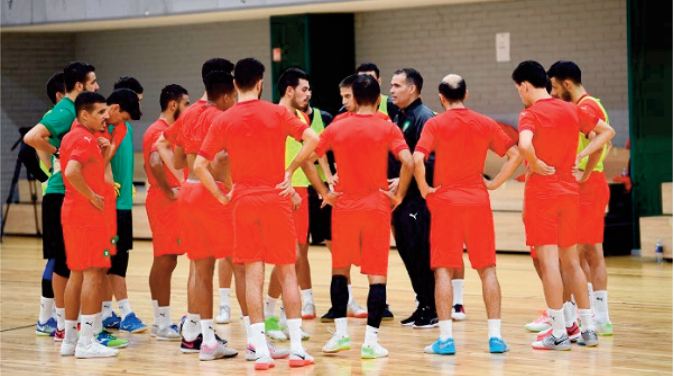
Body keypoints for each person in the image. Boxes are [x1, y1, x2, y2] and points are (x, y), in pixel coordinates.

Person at [195, 57, 318, 370]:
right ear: (261, 82)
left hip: (244, 200)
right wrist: (290, 170)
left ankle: (261, 350)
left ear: (236, 84)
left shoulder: (224, 119)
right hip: (276, 197)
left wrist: (222, 196)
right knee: (287, 270)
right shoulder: (278, 112)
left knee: (253, 273)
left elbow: (199, 165)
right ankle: (297, 349)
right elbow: (313, 139)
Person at [306, 74, 413, 359]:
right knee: (377, 278)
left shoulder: (338, 125)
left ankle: (341, 335)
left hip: (344, 207)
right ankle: (370, 342)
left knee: (339, 271)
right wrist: (399, 193)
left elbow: (309, 156)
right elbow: (410, 161)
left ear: (354, 96)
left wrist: (325, 190)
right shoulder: (387, 126)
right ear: (378, 100)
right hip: (377, 206)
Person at [414, 74, 521, 355]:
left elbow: (417, 158)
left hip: (446, 202)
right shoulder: (485, 122)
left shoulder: (435, 123)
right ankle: (495, 337)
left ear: (440, 97)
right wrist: (495, 182)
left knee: (444, 272)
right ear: (467, 93)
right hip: (477, 201)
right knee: (487, 269)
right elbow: (516, 154)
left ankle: (446, 340)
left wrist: (425, 188)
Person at [512, 60, 615, 350]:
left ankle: (558, 332)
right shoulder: (572, 109)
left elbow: (523, 144)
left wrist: (534, 162)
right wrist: (580, 159)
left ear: (524, 85)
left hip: (542, 196)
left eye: (518, 89)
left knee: (549, 264)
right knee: (572, 263)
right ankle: (588, 328)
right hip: (570, 193)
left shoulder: (529, 114)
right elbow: (607, 132)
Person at [154, 58, 234, 353]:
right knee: (233, 265)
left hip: (188, 192)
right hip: (212, 194)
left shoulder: (187, 115)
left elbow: (166, 150)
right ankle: (236, 340)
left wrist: (182, 178)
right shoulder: (221, 116)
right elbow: (218, 161)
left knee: (198, 267)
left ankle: (193, 333)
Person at [24, 61, 99, 343]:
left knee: (71, 260)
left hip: (69, 191)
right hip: (58, 192)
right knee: (63, 261)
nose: (97, 87)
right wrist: (57, 151)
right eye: (93, 82)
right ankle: (58, 322)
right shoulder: (65, 111)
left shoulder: (75, 112)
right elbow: (32, 137)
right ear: (79, 86)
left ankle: (68, 321)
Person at [547, 60, 614, 336]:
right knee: (581, 254)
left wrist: (584, 167)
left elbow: (603, 140)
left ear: (566, 84)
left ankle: (598, 317)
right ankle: (582, 312)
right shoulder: (591, 103)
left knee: (587, 252)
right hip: (587, 185)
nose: (552, 93)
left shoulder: (585, 107)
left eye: (553, 87)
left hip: (589, 185)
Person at [388, 68, 437, 328]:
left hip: (418, 198)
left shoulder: (424, 117)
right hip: (400, 197)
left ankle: (432, 307)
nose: (392, 90)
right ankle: (423, 302)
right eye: (391, 85)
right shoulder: (399, 115)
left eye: (397, 85)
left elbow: (428, 160)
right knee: (407, 252)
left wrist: (403, 181)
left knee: (420, 252)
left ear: (412, 89)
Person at [99, 77, 148, 334]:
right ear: (116, 106)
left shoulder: (123, 126)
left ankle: (107, 311)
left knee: (118, 258)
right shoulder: (103, 128)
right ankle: (126, 312)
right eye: (136, 101)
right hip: (109, 206)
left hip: (123, 204)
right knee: (113, 260)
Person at [143, 84, 190, 341]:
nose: (188, 108)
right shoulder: (158, 131)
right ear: (173, 105)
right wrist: (169, 190)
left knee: (169, 259)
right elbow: (153, 162)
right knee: (164, 259)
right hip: (164, 199)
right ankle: (161, 323)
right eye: (186, 103)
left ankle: (162, 320)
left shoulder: (164, 130)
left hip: (169, 198)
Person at [35, 71, 66, 337]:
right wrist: (48, 174)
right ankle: (46, 316)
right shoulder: (52, 119)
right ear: (61, 95)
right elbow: (36, 152)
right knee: (57, 259)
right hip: (54, 194)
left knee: (62, 258)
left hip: (60, 194)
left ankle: (52, 316)